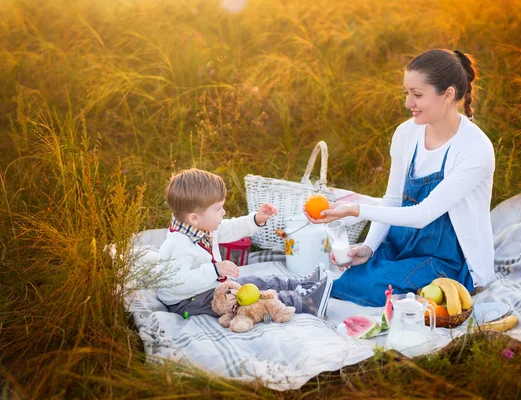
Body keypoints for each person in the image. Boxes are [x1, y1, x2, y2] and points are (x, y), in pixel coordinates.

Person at [305, 49, 495, 307]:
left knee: (370, 286)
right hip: (402, 243)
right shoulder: (407, 134)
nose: (408, 103)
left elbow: (423, 214)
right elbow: (393, 199)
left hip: (448, 258)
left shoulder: (474, 148)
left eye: (417, 95)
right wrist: (370, 247)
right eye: (407, 93)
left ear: (448, 95)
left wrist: (355, 210)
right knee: (349, 278)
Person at [158, 168, 333, 319]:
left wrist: (255, 220)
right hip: (189, 301)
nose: (223, 212)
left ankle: (299, 285)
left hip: (213, 286)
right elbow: (176, 282)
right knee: (249, 300)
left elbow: (230, 228)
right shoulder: (177, 245)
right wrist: (214, 270)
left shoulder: (202, 226)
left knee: (253, 281)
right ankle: (305, 302)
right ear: (194, 218)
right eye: (218, 209)